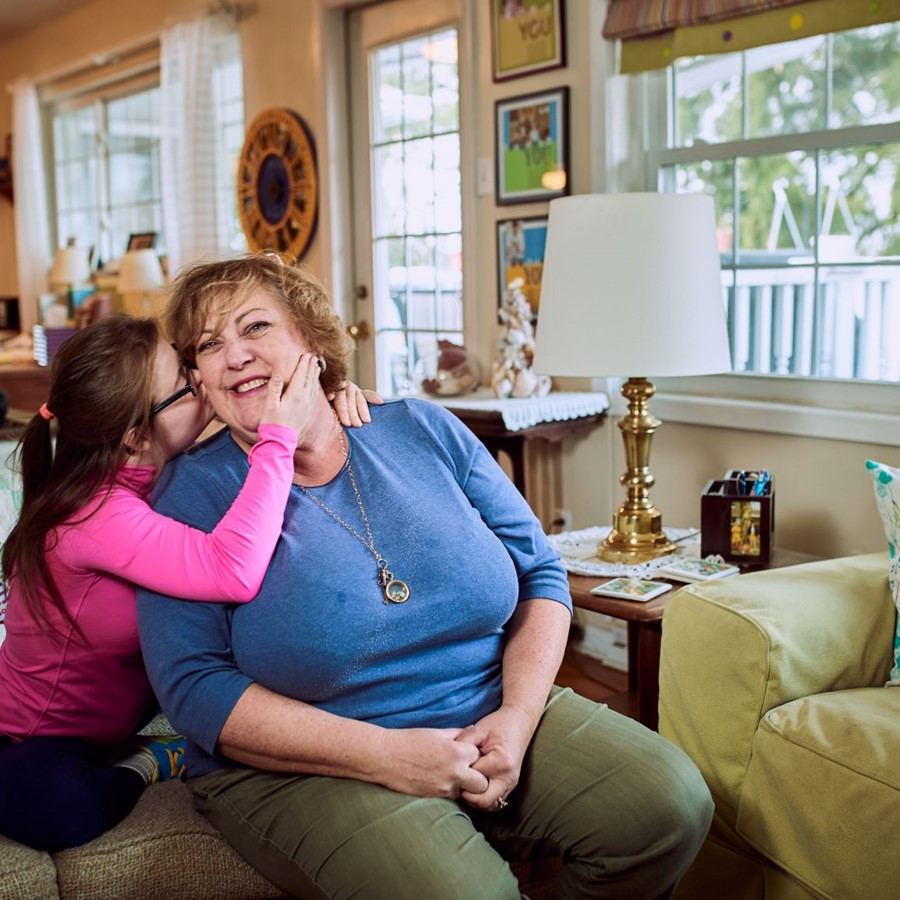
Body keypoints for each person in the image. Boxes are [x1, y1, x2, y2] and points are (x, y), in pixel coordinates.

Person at [137, 253, 714, 899]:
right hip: (309, 765)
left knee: (668, 806)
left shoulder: (421, 426)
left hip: (488, 704)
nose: (235, 355)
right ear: (199, 381)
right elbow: (192, 686)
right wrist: (384, 755)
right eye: (210, 346)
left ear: (312, 340)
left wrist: (518, 718)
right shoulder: (188, 494)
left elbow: (540, 572)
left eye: (255, 328)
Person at [0, 313, 377, 852]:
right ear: (134, 437)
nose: (201, 377)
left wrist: (329, 402)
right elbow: (233, 568)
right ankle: (149, 761)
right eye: (183, 378)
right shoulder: (93, 514)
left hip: (124, 714)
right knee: (58, 811)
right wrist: (279, 439)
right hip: (36, 737)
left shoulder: (157, 471)